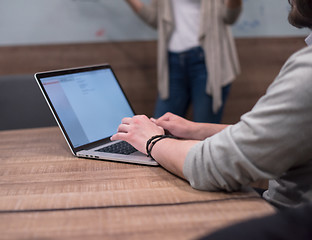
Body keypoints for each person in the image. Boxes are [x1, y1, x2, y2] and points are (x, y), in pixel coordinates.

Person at [112, 0, 312, 209]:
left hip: (290, 215)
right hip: (174, 63)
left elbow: (216, 165)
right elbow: (270, 136)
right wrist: (197, 129)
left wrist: (152, 141)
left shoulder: (306, 70)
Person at [125, 0, 242, 123]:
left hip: (208, 63)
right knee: (160, 128)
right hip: (172, 64)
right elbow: (154, 18)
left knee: (203, 132)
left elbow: (230, 16)